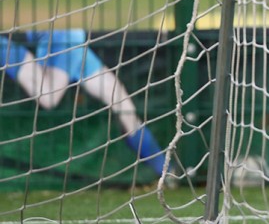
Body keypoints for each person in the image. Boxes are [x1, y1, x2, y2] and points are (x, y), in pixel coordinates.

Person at [0, 29, 167, 178]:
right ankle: (3, 47)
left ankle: (167, 172)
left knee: (120, 101)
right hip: (64, 35)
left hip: (75, 37)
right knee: (49, 96)